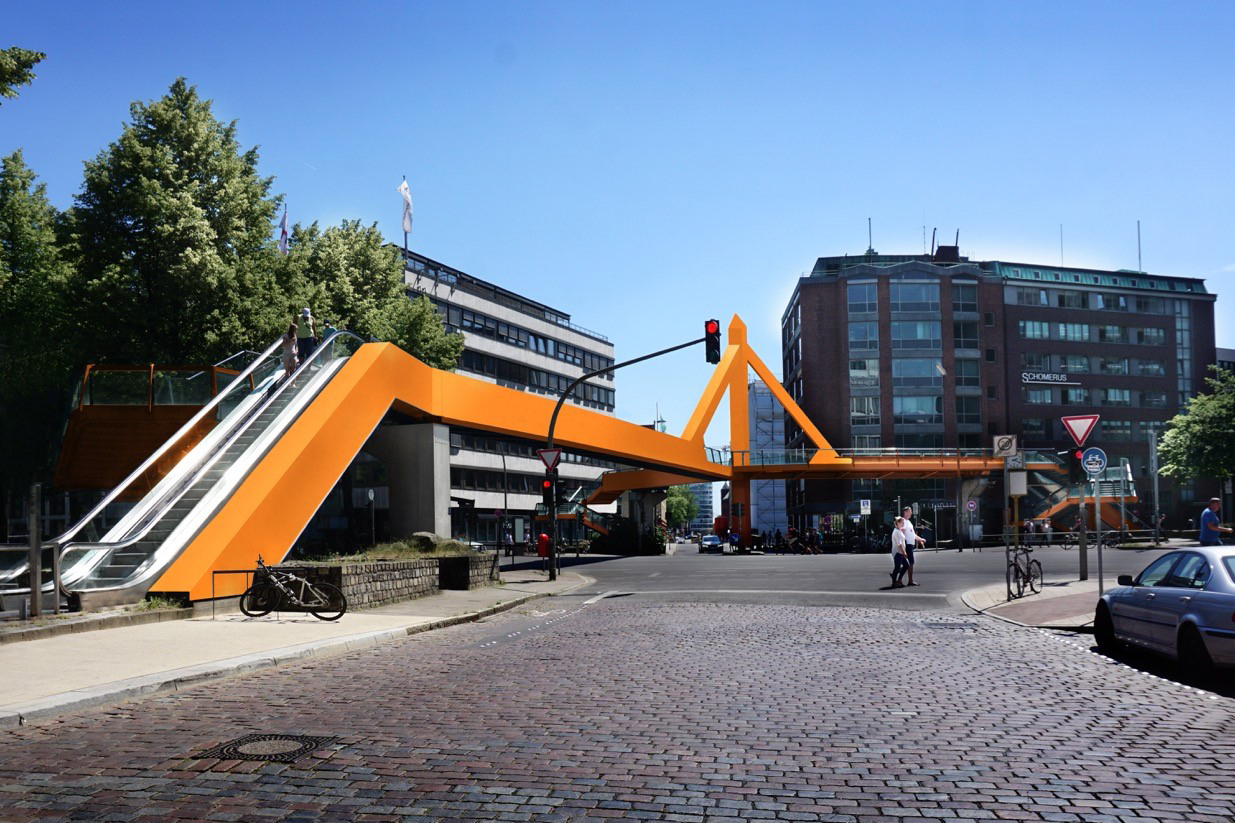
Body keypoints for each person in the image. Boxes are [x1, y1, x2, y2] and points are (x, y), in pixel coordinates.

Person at [901, 506, 926, 586]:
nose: (911, 512)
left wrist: (920, 539)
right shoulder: (903, 521)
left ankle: (898, 576)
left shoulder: (908, 522)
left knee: (908, 563)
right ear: (905, 512)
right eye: (910, 511)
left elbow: (913, 534)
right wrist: (903, 544)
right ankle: (909, 581)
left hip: (910, 545)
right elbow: (901, 532)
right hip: (907, 545)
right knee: (910, 563)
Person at [890, 516, 910, 587]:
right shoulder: (896, 532)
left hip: (900, 552)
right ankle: (894, 581)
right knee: (897, 567)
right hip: (897, 552)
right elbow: (899, 544)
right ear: (898, 523)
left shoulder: (899, 530)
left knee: (906, 565)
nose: (903, 523)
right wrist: (904, 552)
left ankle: (898, 579)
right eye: (902, 522)